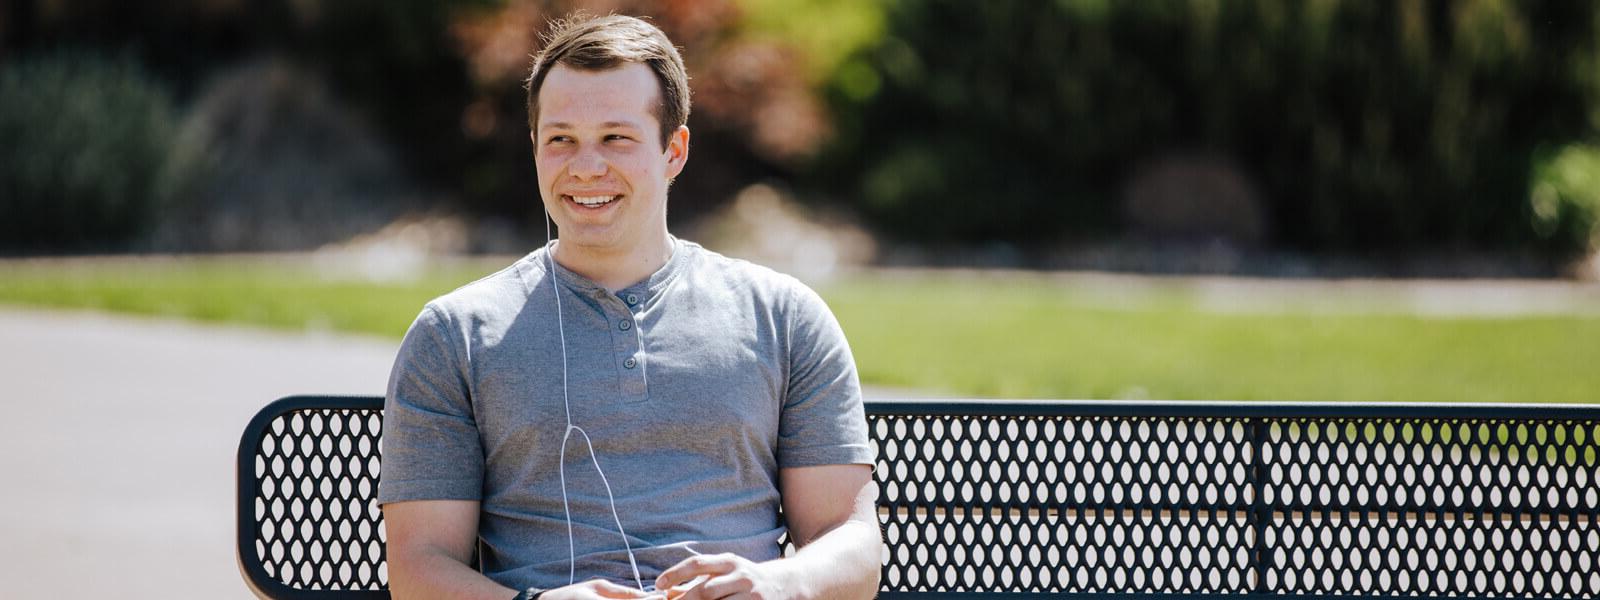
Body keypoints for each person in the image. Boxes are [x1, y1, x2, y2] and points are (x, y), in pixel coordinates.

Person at [377, 13, 881, 600]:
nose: (586, 166)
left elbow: (849, 539)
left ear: (674, 151)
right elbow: (418, 566)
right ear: (536, 148)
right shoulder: (455, 336)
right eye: (561, 138)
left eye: (616, 137)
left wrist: (774, 584)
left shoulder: (786, 318)